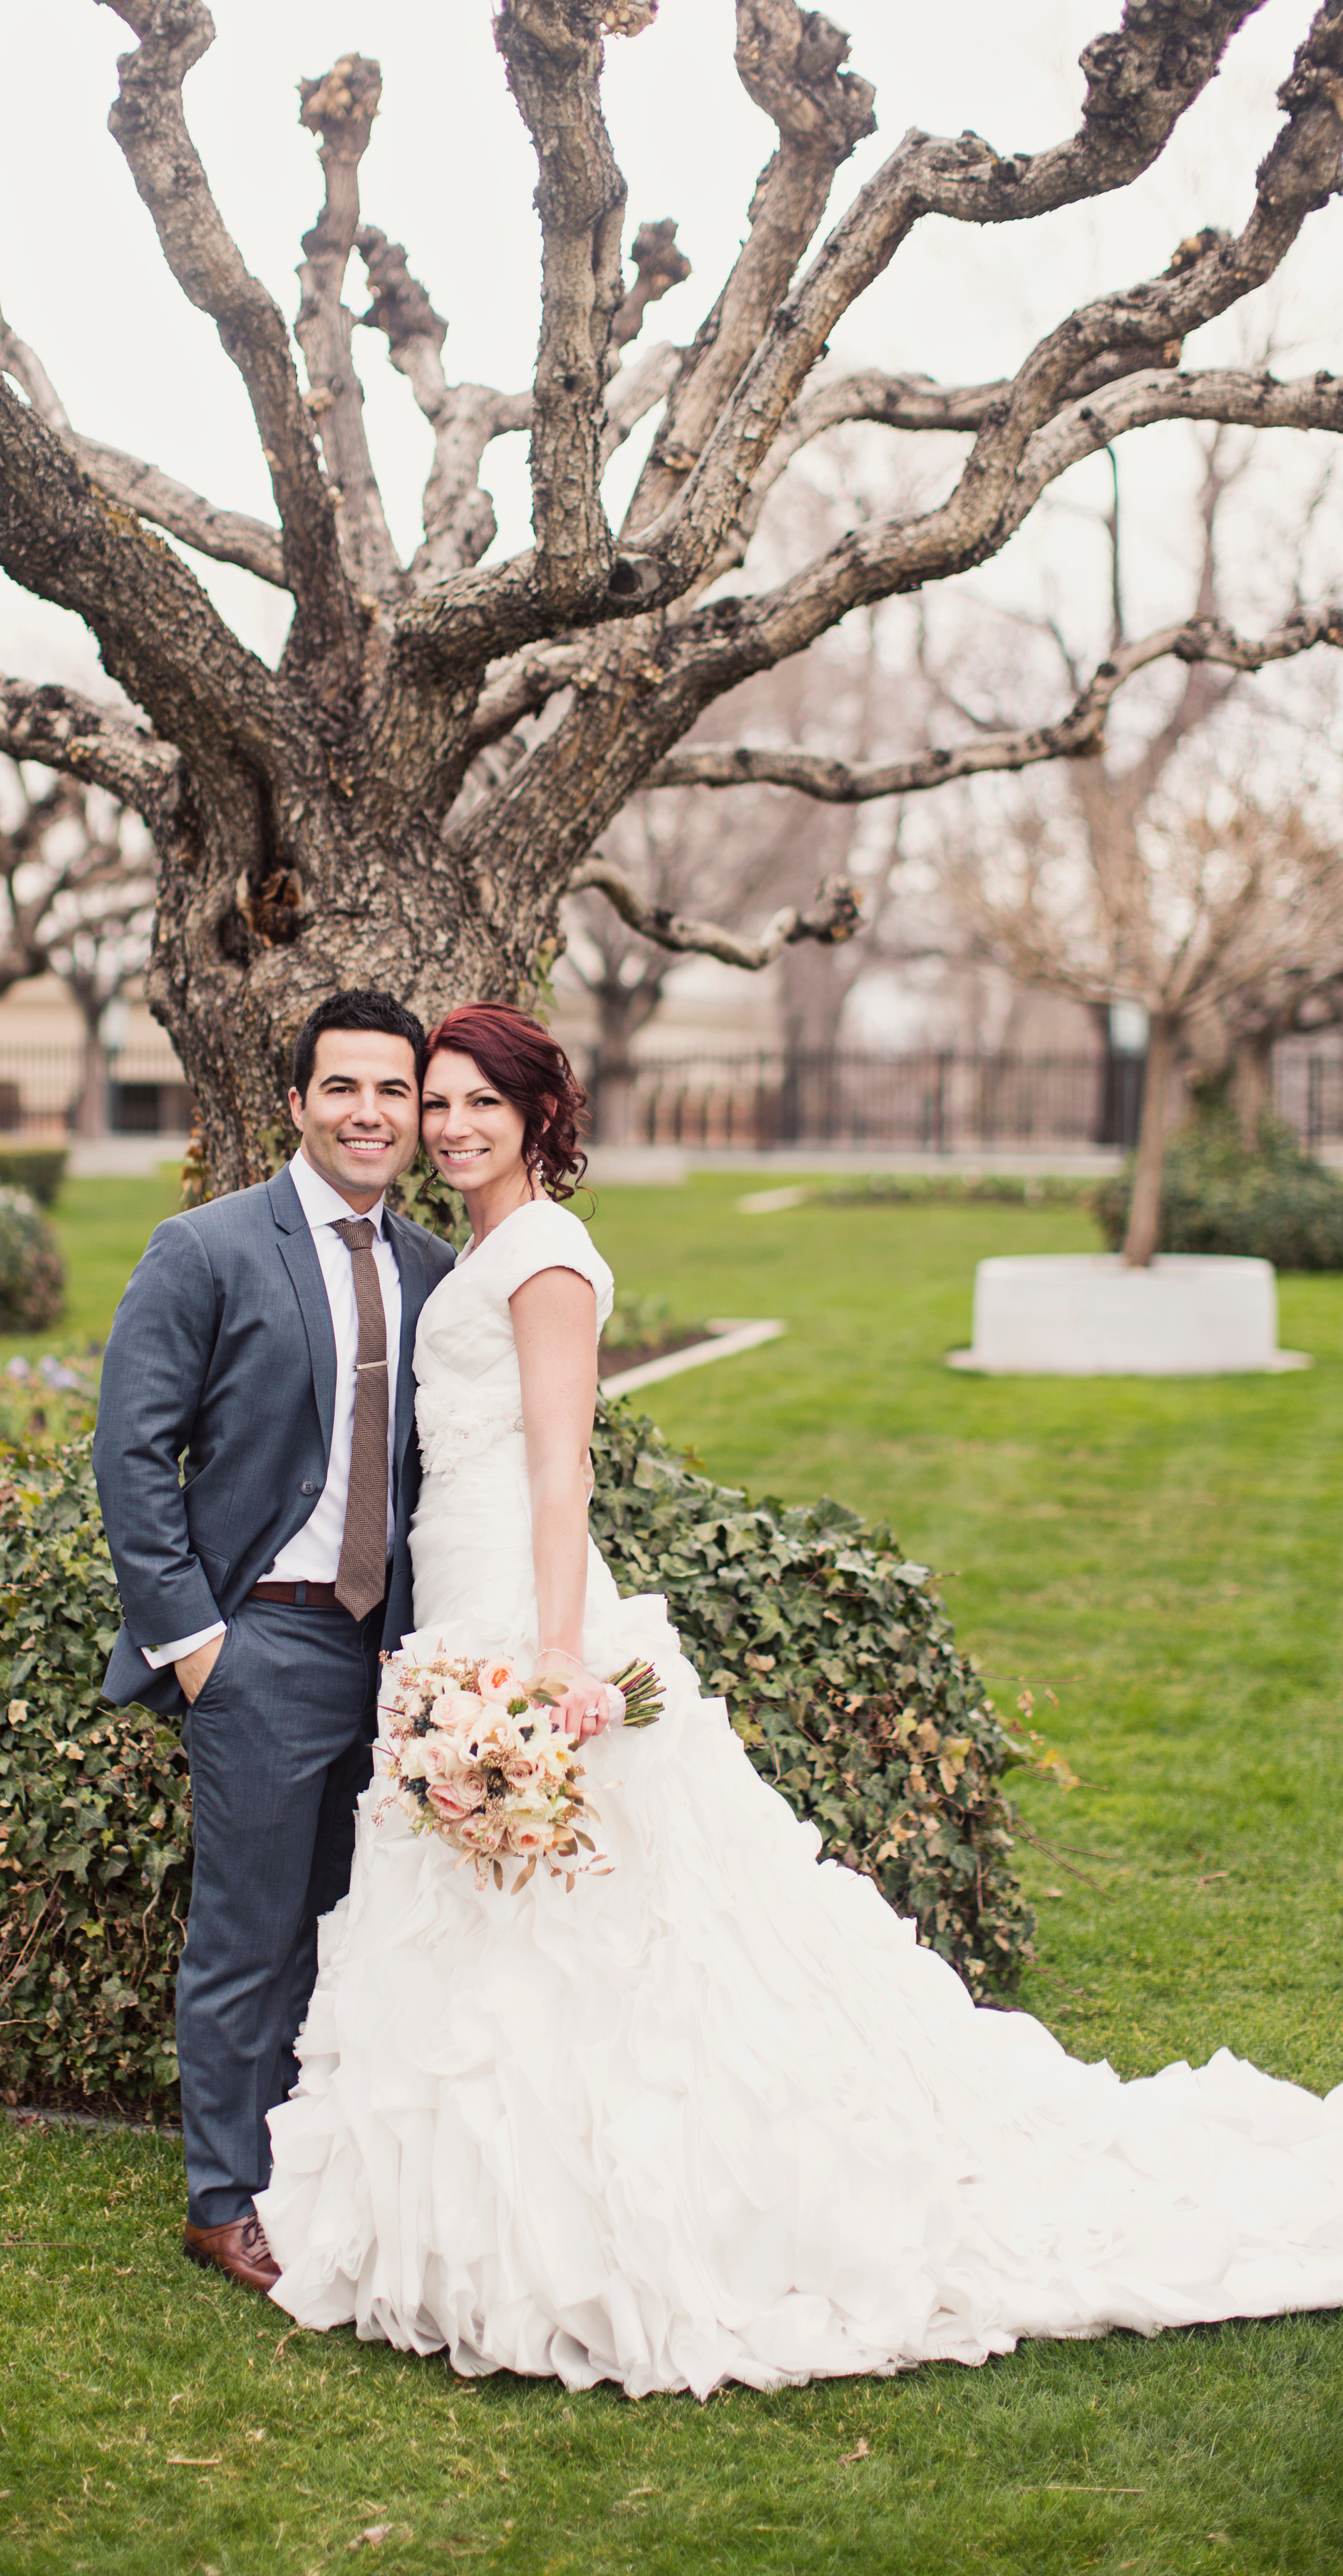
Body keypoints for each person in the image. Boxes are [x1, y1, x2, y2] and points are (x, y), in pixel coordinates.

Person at [257, 1001, 1343, 2399]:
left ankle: (619, 2211)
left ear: (537, 1115)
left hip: (522, 1619)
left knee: (587, 1926)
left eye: (482, 1103)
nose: (454, 1126)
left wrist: (556, 1655)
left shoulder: (541, 1258)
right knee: (503, 1922)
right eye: (441, 1103)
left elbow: (557, 1471)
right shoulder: (476, 1247)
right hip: (455, 1604)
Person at [93, 990, 456, 2293]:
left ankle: (314, 2166)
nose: (371, 1112)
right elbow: (130, 1453)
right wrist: (196, 1644)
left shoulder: (432, 1270)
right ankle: (220, 2196)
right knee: (245, 1933)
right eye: (344, 1087)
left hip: (397, 1658)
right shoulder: (205, 1247)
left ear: (417, 1115)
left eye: (394, 1092)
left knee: (354, 1924)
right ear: (296, 1101)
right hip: (261, 1643)